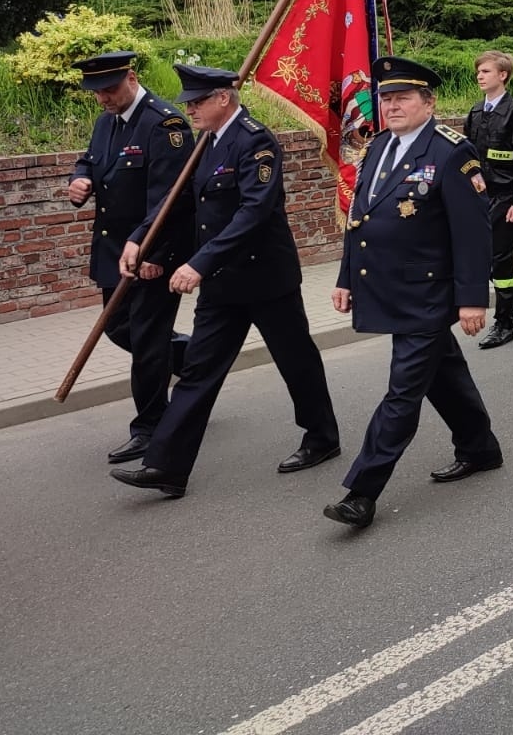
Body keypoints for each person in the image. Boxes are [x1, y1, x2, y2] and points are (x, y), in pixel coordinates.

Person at [111, 65, 341, 500]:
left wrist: (198, 263)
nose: (190, 109)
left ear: (223, 99)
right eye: (188, 103)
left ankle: (321, 437)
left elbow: (252, 213)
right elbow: (176, 199)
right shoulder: (207, 141)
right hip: (222, 287)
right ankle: (166, 466)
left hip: (265, 279)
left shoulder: (255, 140)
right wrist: (139, 237)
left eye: (197, 102)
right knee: (197, 372)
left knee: (296, 361)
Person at [322, 57, 503, 530]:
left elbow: (472, 233)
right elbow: (359, 219)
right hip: (387, 288)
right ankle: (480, 447)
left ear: (429, 102)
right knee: (442, 372)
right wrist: (345, 278)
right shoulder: (379, 146)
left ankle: (362, 491)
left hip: (428, 293)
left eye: (403, 97)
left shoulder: (451, 153)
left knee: (402, 392)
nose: (392, 105)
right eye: (386, 97)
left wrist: (472, 298)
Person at [68, 51, 194, 465]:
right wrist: (80, 178)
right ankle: (194, 360)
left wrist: (153, 251)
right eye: (96, 92)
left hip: (152, 251)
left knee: (146, 342)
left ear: (132, 78)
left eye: (108, 89)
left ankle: (151, 428)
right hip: (114, 249)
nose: (102, 98)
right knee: (120, 329)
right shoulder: (107, 121)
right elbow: (90, 158)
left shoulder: (165, 124)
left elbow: (170, 198)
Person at [464, 49, 513, 350]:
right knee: (482, 262)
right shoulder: (474, 113)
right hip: (481, 200)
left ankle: (504, 323)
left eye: (486, 71)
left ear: (503, 75)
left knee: (500, 260)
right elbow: (468, 158)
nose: (480, 76)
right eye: (478, 71)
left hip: (507, 198)